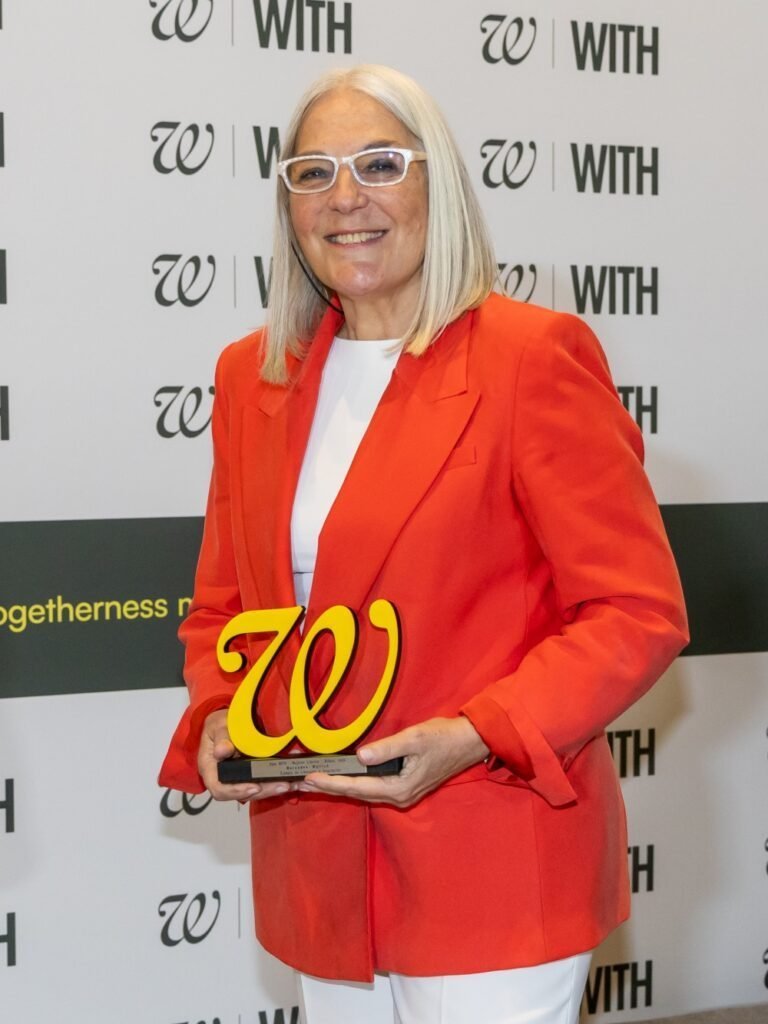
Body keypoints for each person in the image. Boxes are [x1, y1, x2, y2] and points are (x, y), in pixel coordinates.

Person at [159, 64, 688, 1024]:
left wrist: (475, 735)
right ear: (287, 207)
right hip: (317, 861)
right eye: (313, 172)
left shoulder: (532, 357)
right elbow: (223, 608)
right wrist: (219, 712)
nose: (346, 198)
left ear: (435, 181)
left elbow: (635, 612)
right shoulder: (252, 376)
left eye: (378, 163)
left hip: (490, 849)